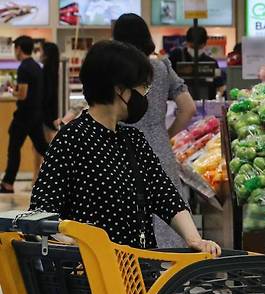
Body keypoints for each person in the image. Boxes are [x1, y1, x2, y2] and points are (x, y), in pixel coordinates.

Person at [29, 40, 220, 256]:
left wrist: (194, 239)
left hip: (137, 272)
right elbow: (43, 211)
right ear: (120, 90)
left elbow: (165, 194)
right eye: (143, 87)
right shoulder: (70, 140)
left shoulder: (133, 139)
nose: (145, 94)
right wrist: (74, 246)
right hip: (89, 275)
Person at [112, 13, 196, 248]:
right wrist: (166, 134)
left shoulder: (116, 70)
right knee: (168, 213)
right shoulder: (160, 67)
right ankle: (169, 275)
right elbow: (187, 108)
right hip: (159, 146)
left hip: (120, 146)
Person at [1, 36, 48, 193]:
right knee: (43, 147)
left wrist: (12, 91)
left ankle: (8, 183)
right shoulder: (36, 66)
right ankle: (66, 171)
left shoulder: (23, 68)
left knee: (14, 148)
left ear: (19, 48)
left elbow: (22, 95)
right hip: (36, 114)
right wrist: (15, 89)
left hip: (23, 115)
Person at [31, 42, 60, 185]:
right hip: (54, 113)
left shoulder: (45, 71)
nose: (39, 54)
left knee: (40, 147)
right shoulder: (57, 71)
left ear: (46, 54)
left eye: (40, 51)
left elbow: (45, 95)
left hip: (45, 115)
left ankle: (37, 178)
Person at [168, 26, 224, 98]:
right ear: (187, 42)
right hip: (180, 102)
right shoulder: (176, 57)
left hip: (206, 103)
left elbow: (220, 86)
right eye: (192, 47)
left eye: (199, 47)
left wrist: (217, 97)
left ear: (204, 44)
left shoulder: (211, 62)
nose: (195, 50)